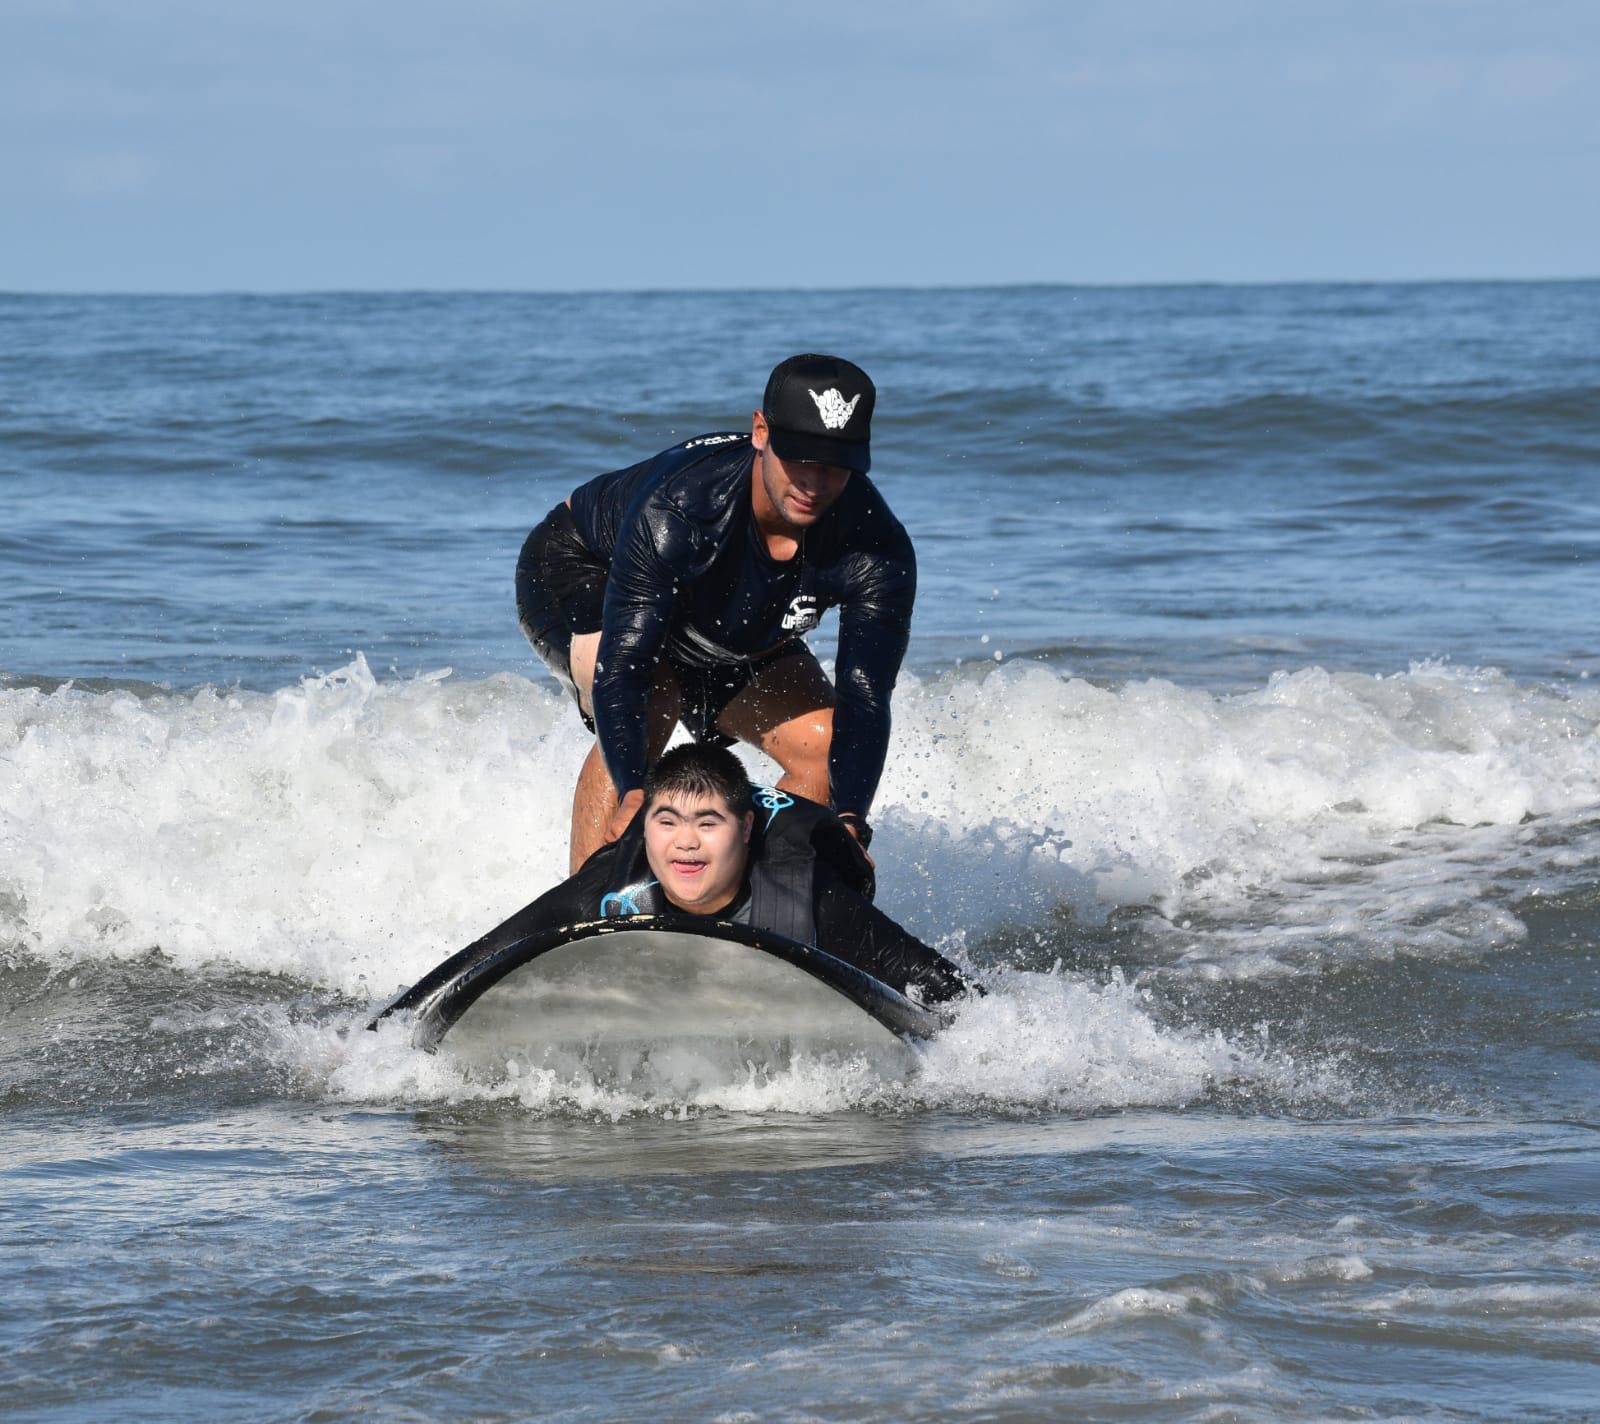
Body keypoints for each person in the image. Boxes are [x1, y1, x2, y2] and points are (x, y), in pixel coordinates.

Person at [517, 353, 915, 872]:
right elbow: (625, 672)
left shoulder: (876, 548)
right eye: (799, 458)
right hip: (582, 569)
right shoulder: (679, 510)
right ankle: (592, 905)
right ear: (760, 432)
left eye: (835, 466)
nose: (813, 484)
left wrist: (850, 821)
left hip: (717, 618)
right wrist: (636, 791)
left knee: (822, 751)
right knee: (651, 704)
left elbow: (866, 694)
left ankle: (758, 900)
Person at [429, 744, 974, 1008]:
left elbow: (953, 996)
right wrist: (369, 1045)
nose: (685, 842)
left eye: (707, 823)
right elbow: (480, 961)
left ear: (744, 829)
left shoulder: (809, 896)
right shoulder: (612, 888)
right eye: (667, 823)